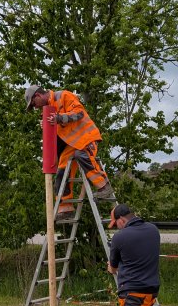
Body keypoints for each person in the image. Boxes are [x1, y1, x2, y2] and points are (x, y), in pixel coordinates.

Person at [25, 85, 114, 220]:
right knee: (62, 169)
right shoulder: (48, 110)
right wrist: (48, 126)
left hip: (87, 138)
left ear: (38, 95)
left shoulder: (63, 96)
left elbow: (79, 113)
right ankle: (65, 208)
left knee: (81, 155)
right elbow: (60, 133)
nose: (35, 107)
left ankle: (104, 187)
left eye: (33, 103)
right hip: (73, 143)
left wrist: (59, 118)